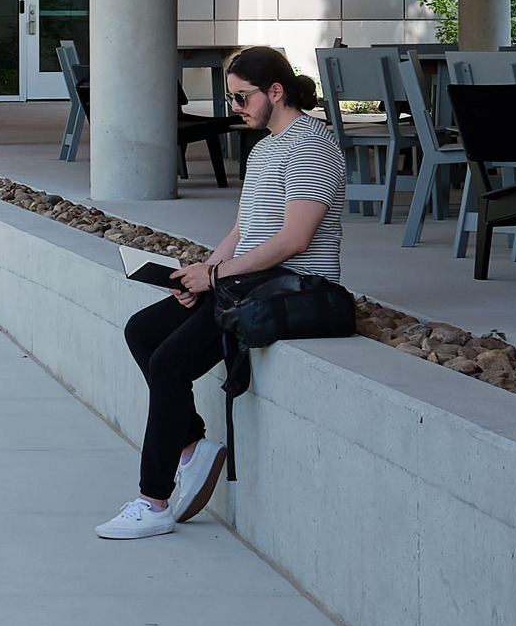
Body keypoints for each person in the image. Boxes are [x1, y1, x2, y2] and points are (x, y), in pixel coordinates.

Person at [101, 46, 344, 539]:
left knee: (171, 362)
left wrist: (217, 278)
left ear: (275, 91)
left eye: (241, 97)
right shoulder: (266, 146)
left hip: (286, 287)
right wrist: (203, 269)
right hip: (244, 280)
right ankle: (193, 445)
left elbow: (295, 240)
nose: (235, 107)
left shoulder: (312, 145)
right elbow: (245, 229)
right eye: (231, 98)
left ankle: (154, 501)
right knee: (143, 330)